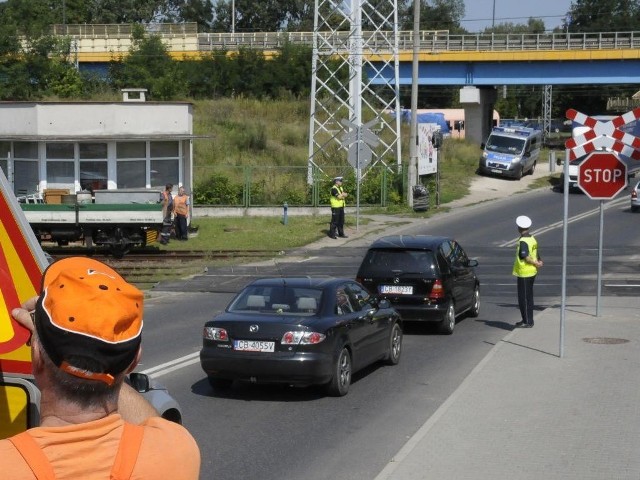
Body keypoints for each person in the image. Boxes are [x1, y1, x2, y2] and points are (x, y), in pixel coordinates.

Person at [1, 257, 201, 479]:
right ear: (134, 361)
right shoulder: (177, 451)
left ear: (37, 354)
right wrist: (101, 367)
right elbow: (150, 424)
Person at [512, 215, 543, 328]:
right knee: (528, 296)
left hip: (525, 272)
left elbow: (525, 256)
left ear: (519, 228)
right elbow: (535, 251)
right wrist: (539, 261)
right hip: (532, 272)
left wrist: (535, 262)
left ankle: (528, 321)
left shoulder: (523, 241)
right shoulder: (532, 238)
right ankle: (525, 319)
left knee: (523, 298)